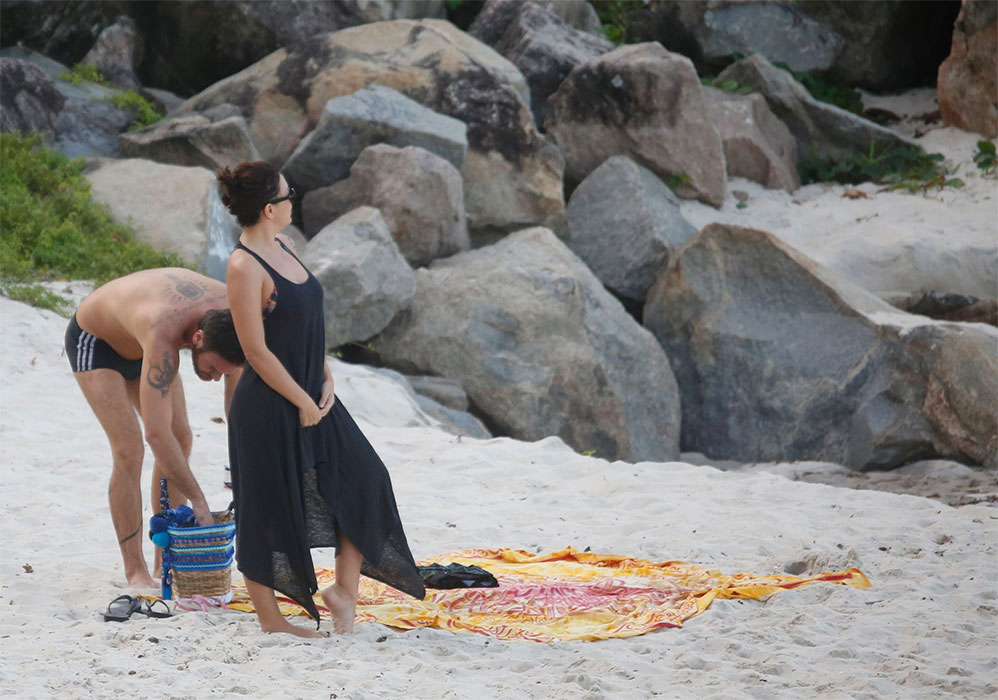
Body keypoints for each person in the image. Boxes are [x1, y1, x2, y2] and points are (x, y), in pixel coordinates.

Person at [218, 161, 424, 638]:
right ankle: (272, 622)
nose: (296, 199)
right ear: (270, 209)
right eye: (291, 194)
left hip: (314, 393)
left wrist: (325, 374)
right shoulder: (244, 264)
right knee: (264, 509)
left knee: (366, 479)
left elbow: (302, 324)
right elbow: (255, 350)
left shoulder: (285, 245)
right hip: (268, 406)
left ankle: (344, 592)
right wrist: (301, 401)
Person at [66, 269, 245, 587]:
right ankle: (135, 570)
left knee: (182, 437)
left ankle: (167, 561)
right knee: (130, 449)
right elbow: (156, 434)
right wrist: (198, 500)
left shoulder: (236, 313)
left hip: (141, 339)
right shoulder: (165, 335)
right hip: (98, 341)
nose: (216, 377)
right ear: (198, 339)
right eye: (213, 368)